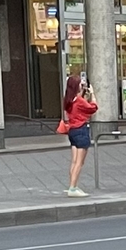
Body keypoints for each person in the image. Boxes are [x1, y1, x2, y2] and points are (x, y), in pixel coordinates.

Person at [56, 69, 96, 197]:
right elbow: (92, 108)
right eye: (80, 83)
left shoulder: (69, 100)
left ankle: (72, 185)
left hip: (72, 131)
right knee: (80, 162)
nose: (81, 85)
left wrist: (84, 94)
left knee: (74, 161)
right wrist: (93, 95)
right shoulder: (78, 101)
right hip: (81, 130)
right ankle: (73, 188)